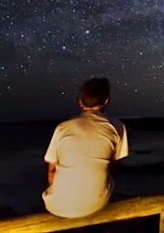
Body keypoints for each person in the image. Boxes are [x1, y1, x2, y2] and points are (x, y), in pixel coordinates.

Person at [42, 77, 129, 218]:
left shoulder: (63, 128)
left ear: (81, 102)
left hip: (55, 206)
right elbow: (114, 168)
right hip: (97, 204)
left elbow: (51, 172)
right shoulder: (117, 127)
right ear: (106, 101)